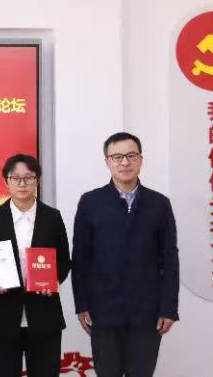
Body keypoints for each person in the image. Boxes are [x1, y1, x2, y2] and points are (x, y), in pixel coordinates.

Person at [72, 132, 179, 377]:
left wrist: (168, 308)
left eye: (131, 155)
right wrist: (82, 305)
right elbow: (80, 259)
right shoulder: (90, 202)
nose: (124, 162)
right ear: (107, 162)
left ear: (141, 159)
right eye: (117, 157)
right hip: (103, 313)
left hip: (147, 314)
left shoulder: (159, 204)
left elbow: (170, 260)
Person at [0, 154, 71, 377]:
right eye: (15, 178)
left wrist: (53, 281)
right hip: (3, 314)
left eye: (28, 177)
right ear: (7, 181)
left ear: (37, 180)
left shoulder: (52, 217)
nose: (22, 183)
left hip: (44, 315)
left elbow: (64, 260)